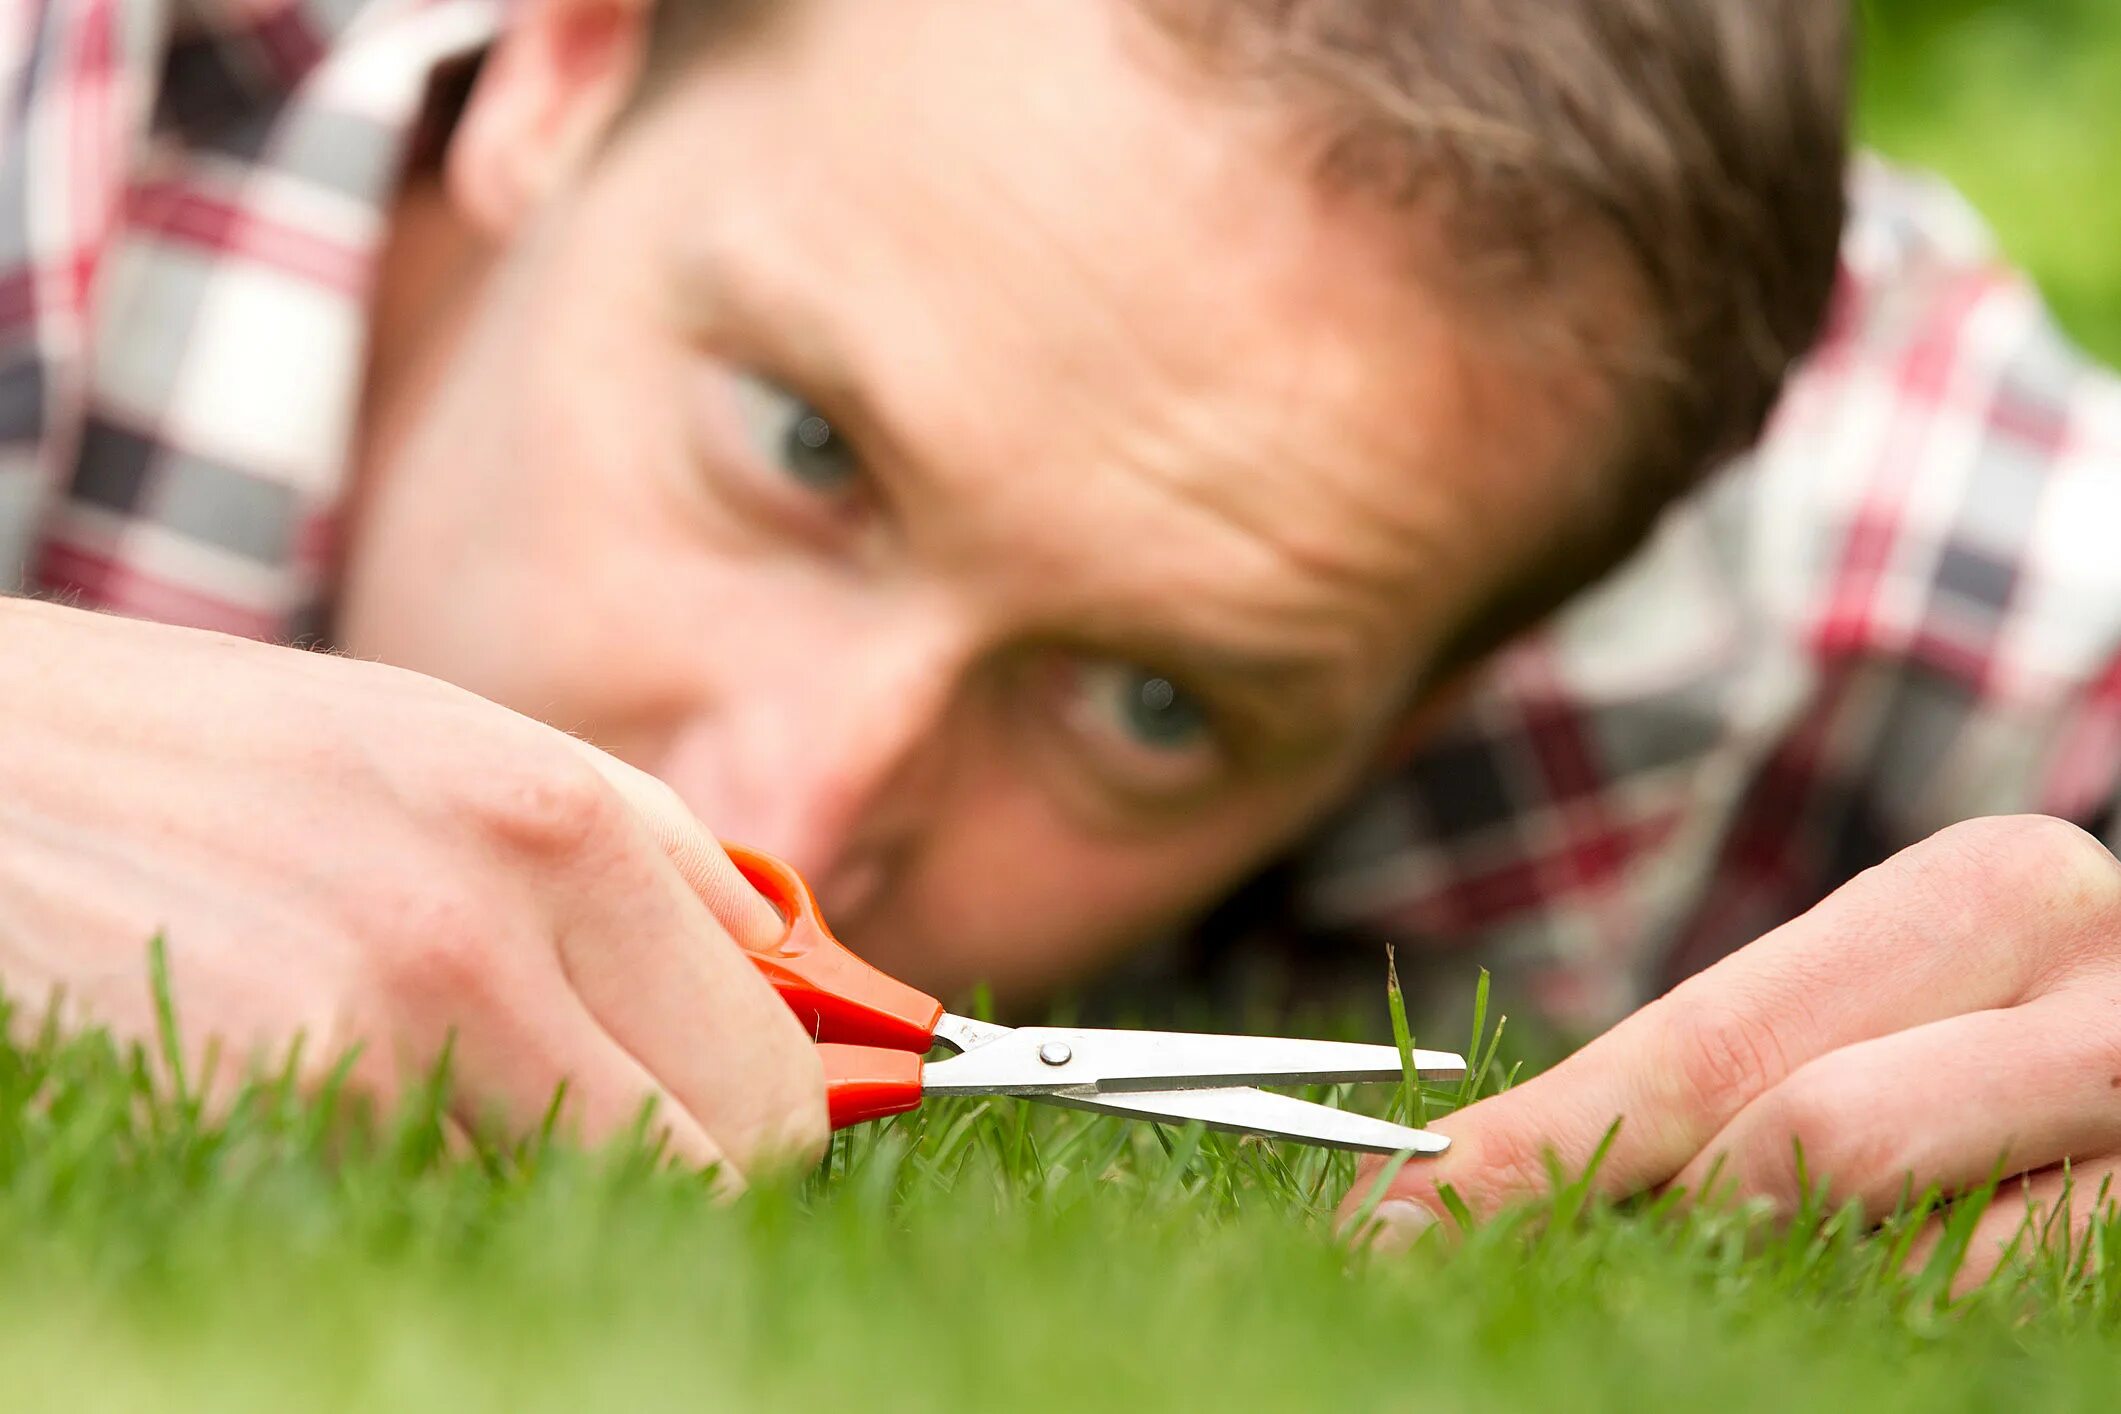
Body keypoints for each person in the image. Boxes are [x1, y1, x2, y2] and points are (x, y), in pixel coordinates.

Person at [3, 0, 2115, 1278]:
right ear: (573, 56)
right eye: (804, 442)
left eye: (1153, 702)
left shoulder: (1691, 529)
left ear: (1458, 685)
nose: (779, 806)